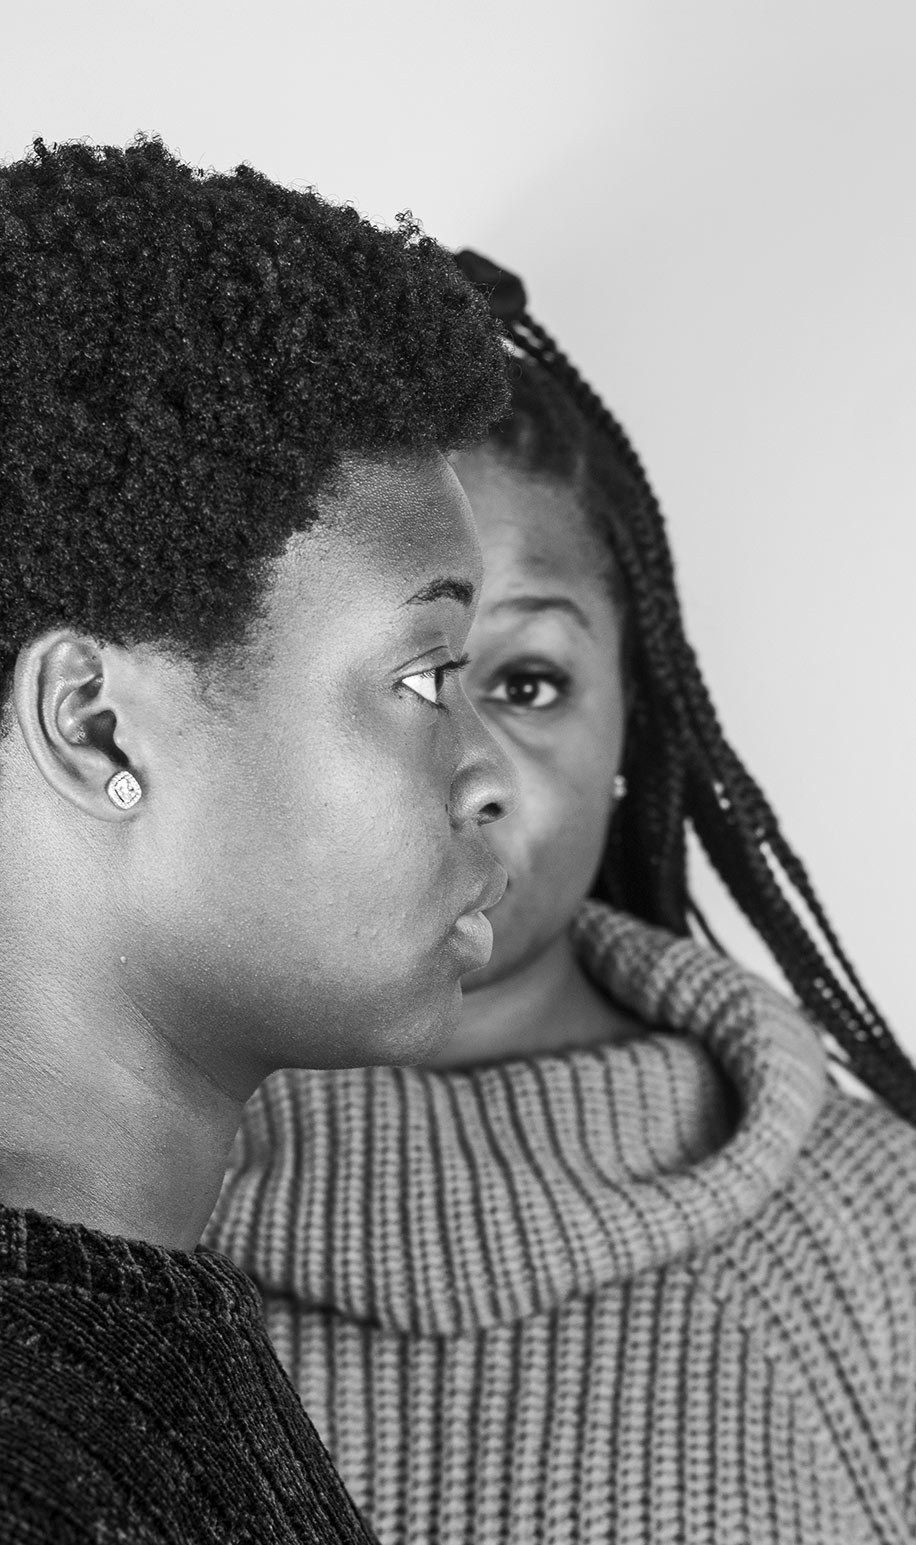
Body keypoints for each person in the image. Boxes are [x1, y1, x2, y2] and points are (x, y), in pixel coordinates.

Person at [205, 251, 916, 1544]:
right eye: (399, 678)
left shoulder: (897, 1245)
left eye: (524, 680)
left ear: (635, 717)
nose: (465, 768)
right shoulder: (72, 1206)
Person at [0, 142, 517, 1544]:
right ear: (100, 728)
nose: (492, 779)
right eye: (426, 677)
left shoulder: (116, 1328)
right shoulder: (37, 1451)